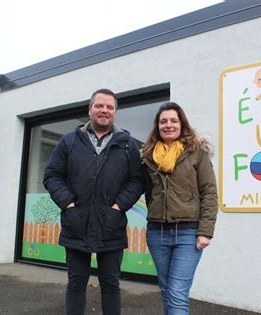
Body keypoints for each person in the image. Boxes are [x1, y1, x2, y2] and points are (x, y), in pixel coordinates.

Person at [43, 88, 143, 315]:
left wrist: (118, 207)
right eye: (99, 106)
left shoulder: (127, 144)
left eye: (110, 107)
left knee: (110, 284)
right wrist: (69, 204)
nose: (104, 110)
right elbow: (51, 176)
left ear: (115, 112)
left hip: (111, 224)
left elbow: (137, 181)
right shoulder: (69, 141)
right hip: (76, 223)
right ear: (90, 109)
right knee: (76, 283)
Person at [142, 102, 218, 315]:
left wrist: (205, 231)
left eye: (173, 120)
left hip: (188, 233)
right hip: (157, 232)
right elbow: (148, 194)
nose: (168, 125)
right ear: (157, 126)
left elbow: (209, 192)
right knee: (168, 291)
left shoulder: (196, 153)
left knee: (176, 293)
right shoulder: (148, 156)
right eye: (163, 121)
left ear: (182, 124)